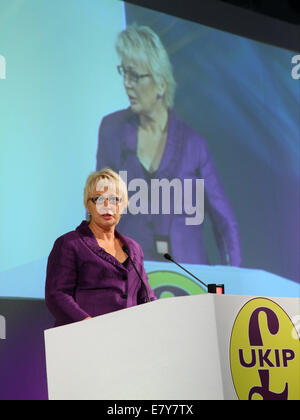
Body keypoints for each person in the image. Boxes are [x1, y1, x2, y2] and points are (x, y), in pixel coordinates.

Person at [96, 24, 242, 266]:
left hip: (187, 278)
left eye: (135, 76)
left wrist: (235, 280)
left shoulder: (194, 145)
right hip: (130, 275)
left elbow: (224, 222)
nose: (126, 84)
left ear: (161, 84)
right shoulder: (112, 130)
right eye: (124, 72)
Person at [45, 168, 157, 327]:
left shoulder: (134, 248)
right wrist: (90, 327)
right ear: (87, 205)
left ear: (123, 205)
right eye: (98, 199)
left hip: (129, 340)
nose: (106, 205)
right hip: (84, 340)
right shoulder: (69, 244)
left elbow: (146, 297)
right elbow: (58, 295)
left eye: (114, 199)